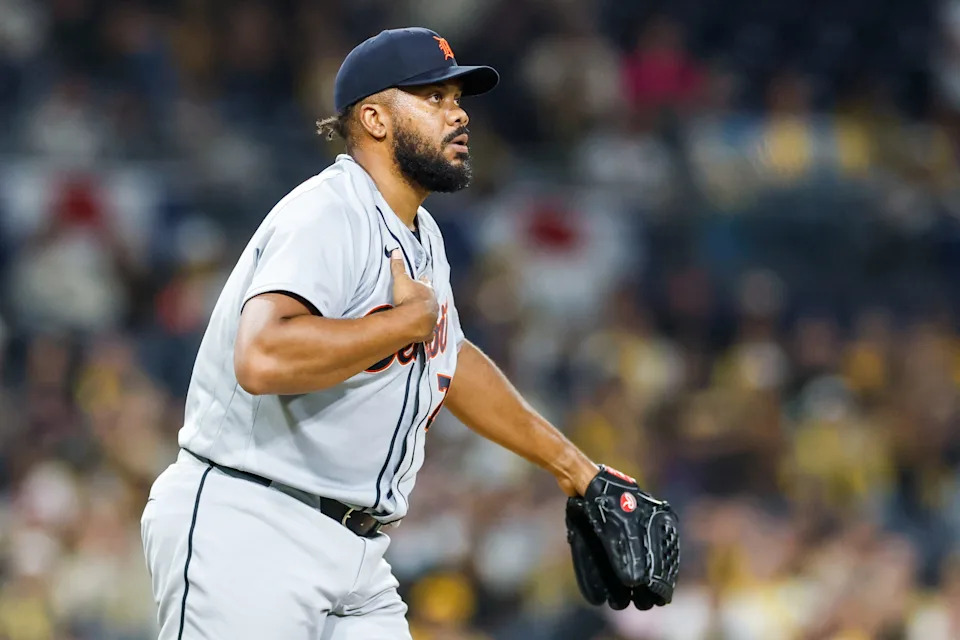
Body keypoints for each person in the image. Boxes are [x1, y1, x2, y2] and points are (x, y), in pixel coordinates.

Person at [140, 27, 600, 640]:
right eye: (433, 98)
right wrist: (398, 324)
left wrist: (577, 469)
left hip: (357, 553)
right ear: (376, 119)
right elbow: (261, 355)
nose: (458, 112)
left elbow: (450, 359)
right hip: (252, 523)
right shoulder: (331, 211)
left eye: (458, 98)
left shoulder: (423, 235)